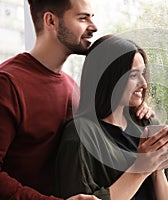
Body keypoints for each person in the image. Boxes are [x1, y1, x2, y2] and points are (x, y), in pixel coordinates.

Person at [0, 1, 151, 199]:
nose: (94, 27)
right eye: (83, 18)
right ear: (51, 21)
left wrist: (136, 106)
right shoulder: (8, 84)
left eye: (92, 17)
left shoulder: (72, 88)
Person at [55, 35, 168, 200]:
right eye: (133, 75)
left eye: (143, 73)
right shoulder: (80, 135)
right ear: (108, 78)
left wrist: (156, 168)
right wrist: (142, 168)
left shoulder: (146, 123)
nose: (143, 83)